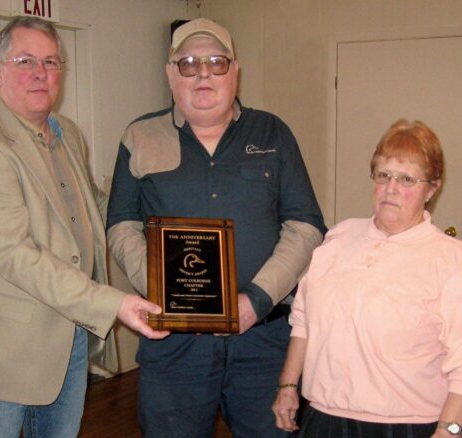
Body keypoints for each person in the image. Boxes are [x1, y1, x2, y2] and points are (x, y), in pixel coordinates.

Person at [0, 16, 168, 438]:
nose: (40, 73)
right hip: (2, 349)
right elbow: (14, 254)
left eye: (51, 61)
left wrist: (163, 222)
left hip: (69, 336)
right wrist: (112, 303)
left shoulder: (67, 134)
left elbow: (94, 208)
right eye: (25, 61)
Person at [107, 18, 326, 438]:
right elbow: (121, 225)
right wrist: (161, 289)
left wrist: (257, 300)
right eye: (188, 63)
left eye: (216, 62)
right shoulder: (140, 135)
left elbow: (305, 226)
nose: (203, 73)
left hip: (263, 342)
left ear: (235, 71)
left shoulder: (273, 133)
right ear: (171, 75)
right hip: (173, 346)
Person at [272, 119, 462, 438]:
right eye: (384, 175)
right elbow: (303, 321)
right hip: (323, 419)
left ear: (432, 188)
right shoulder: (339, 238)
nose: (391, 189)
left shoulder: (450, 259)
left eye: (407, 179)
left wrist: (449, 431)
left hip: (406, 426)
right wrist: (288, 385)